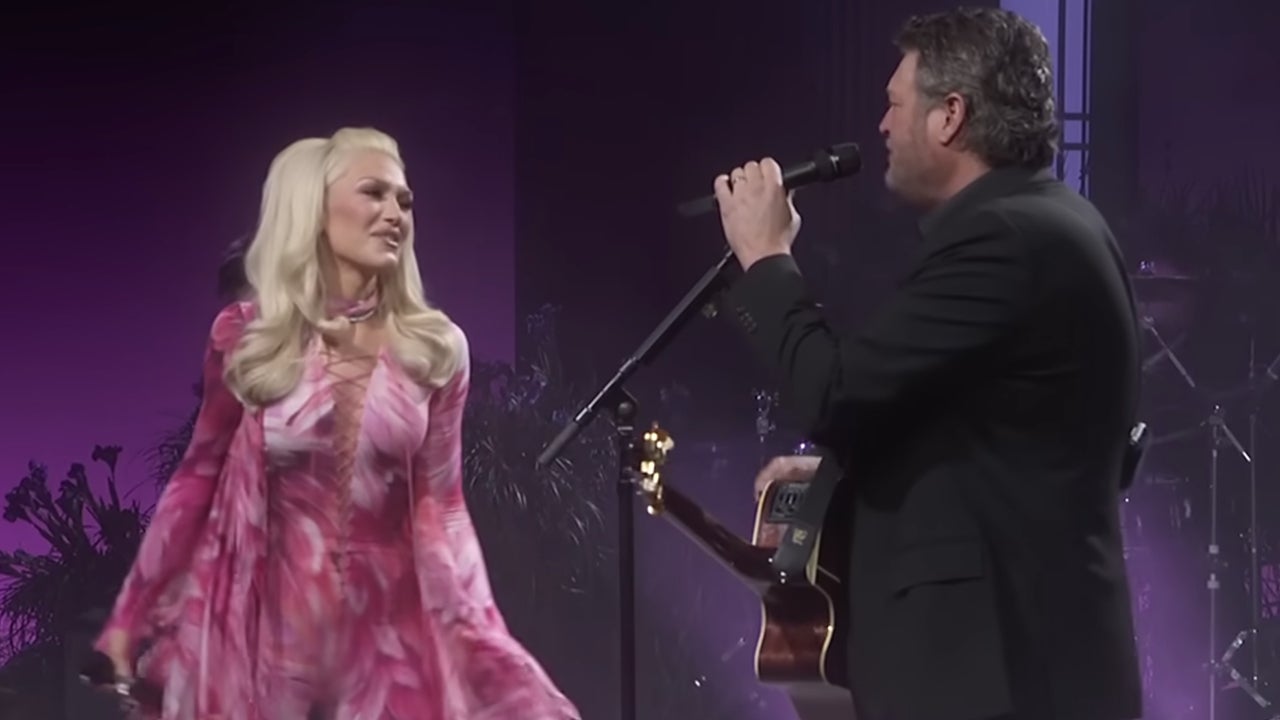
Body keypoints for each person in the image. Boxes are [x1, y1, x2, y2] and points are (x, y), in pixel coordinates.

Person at [711, 8, 1143, 720]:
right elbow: (997, 444)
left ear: (951, 116)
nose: (882, 125)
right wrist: (842, 474)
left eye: (895, 103)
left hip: (996, 677)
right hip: (1028, 669)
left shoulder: (1004, 237)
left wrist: (765, 258)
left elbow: (834, 393)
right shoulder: (1050, 224)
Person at [91, 127, 579, 720]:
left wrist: (479, 632)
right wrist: (129, 619)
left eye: (404, 201)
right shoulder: (248, 337)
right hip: (269, 645)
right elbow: (198, 479)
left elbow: (442, 506)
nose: (395, 214)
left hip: (387, 646)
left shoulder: (435, 348)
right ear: (315, 211)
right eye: (374, 193)